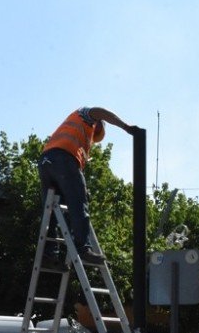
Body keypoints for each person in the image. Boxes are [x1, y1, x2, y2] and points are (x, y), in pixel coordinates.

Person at [38, 107, 138, 266]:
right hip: (62, 159)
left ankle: (50, 255)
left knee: (51, 210)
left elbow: (75, 175)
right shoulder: (85, 116)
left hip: (46, 161)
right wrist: (126, 127)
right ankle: (83, 248)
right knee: (78, 203)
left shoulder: (77, 137)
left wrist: (82, 188)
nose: (95, 133)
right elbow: (101, 112)